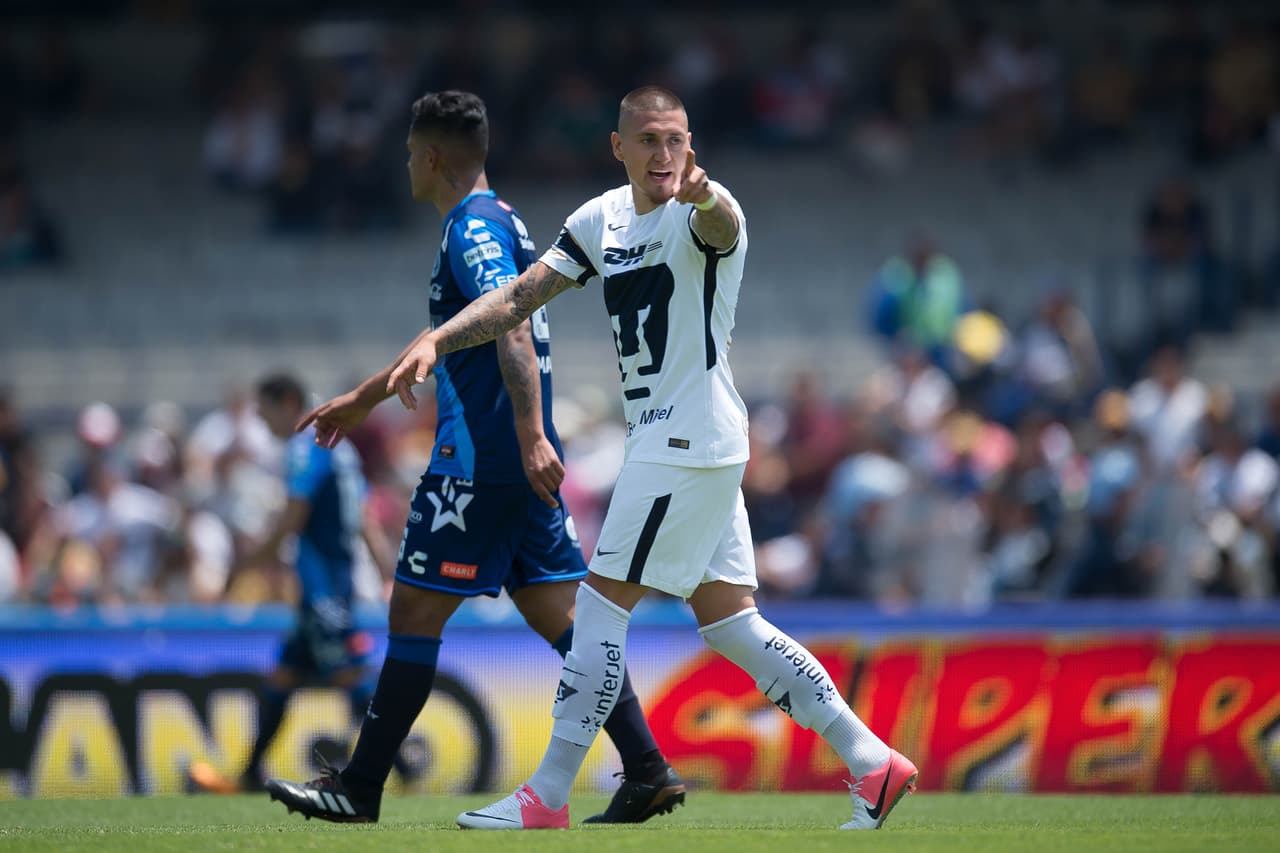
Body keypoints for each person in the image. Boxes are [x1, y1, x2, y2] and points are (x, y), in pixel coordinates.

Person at [304, 85, 917, 831]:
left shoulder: (706, 209)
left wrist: (706, 197)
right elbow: (517, 301)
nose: (666, 155)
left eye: (677, 140)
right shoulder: (600, 219)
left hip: (684, 439)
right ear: (618, 147)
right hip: (684, 442)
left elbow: (722, 225)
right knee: (729, 625)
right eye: (650, 140)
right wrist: (435, 339)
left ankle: (548, 795)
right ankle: (872, 759)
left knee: (596, 609)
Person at [266, 91, 684, 825]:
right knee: (564, 618)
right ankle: (647, 765)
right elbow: (457, 332)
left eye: (408, 154)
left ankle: (360, 786)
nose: (406, 166)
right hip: (516, 462)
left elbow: (509, 327)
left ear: (430, 157)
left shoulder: (472, 228)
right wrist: (364, 398)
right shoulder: (505, 220)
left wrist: (528, 434)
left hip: (481, 461)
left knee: (415, 609)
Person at [190, 374, 393, 794]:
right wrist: (384, 568)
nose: (263, 424)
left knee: (350, 678)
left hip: (325, 587)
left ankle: (404, 770)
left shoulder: (309, 445)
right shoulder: (341, 445)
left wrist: (244, 565)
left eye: (265, 413)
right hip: (323, 586)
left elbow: (292, 521)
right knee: (283, 678)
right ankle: (247, 776)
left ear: (286, 402)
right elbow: (364, 518)